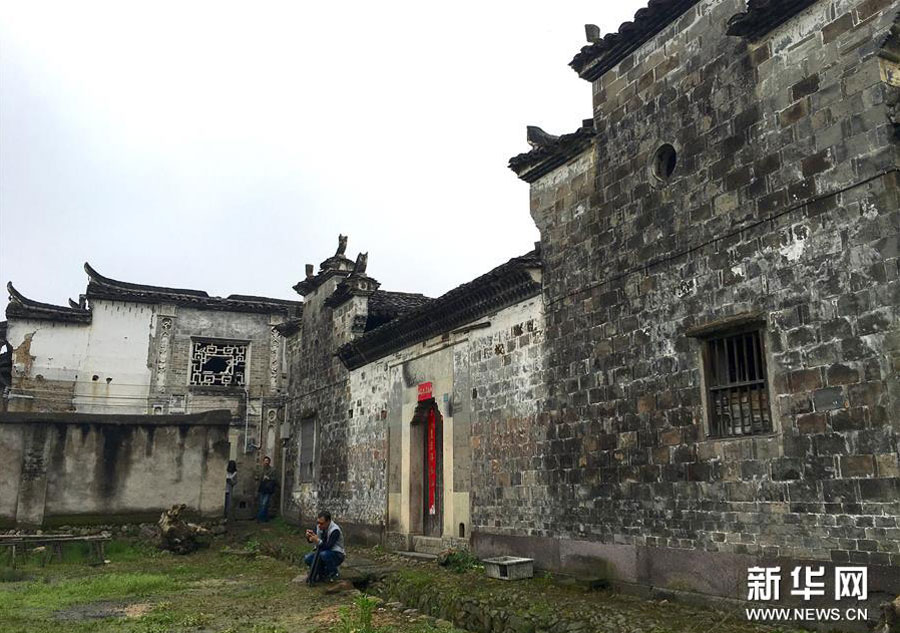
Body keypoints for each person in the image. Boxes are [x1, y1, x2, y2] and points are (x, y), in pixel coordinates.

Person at [303, 510, 345, 582]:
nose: (319, 525)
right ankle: (322, 573)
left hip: (336, 554)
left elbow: (328, 546)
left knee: (324, 554)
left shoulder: (335, 530)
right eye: (318, 522)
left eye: (321, 523)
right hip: (321, 552)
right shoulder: (319, 527)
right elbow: (312, 540)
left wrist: (317, 541)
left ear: (328, 521)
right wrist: (309, 537)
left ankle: (334, 572)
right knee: (307, 558)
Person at [256, 456, 277, 522]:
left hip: (268, 488)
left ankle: (259, 518)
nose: (266, 462)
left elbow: (275, 479)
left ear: (269, 462)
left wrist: (268, 478)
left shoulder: (272, 470)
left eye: (267, 461)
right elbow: (258, 477)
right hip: (262, 488)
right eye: (265, 461)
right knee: (262, 504)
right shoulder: (261, 469)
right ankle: (264, 518)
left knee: (264, 503)